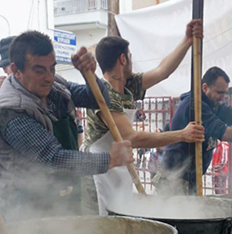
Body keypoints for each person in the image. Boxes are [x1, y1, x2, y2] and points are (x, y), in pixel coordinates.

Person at [0, 31, 134, 221]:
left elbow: (96, 99)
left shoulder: (54, 85)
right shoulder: (11, 111)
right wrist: (110, 160)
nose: (49, 77)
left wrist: (89, 74)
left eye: (52, 68)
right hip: (26, 210)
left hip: (62, 197)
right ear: (16, 70)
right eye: (39, 70)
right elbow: (54, 159)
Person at [83, 20, 205, 214]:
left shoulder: (128, 85)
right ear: (123, 59)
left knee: (121, 221)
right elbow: (131, 138)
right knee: (102, 230)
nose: (132, 60)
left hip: (119, 169)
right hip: (98, 172)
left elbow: (162, 71)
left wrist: (187, 40)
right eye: (130, 56)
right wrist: (182, 135)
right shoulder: (104, 93)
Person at [161, 66, 232, 194]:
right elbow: (224, 133)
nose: (222, 97)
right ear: (205, 87)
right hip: (175, 178)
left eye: (225, 93)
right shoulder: (195, 106)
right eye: (219, 92)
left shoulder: (214, 105)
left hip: (191, 178)